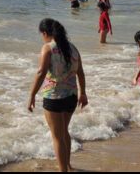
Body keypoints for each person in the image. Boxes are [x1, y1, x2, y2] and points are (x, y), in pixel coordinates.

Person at [27, 19, 88, 173]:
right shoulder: (73, 48)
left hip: (54, 97)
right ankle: (67, 165)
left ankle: (63, 170)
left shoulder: (48, 48)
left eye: (42, 34)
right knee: (64, 131)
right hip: (71, 97)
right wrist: (83, 93)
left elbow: (41, 73)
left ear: (46, 33)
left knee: (57, 136)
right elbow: (80, 72)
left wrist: (32, 95)